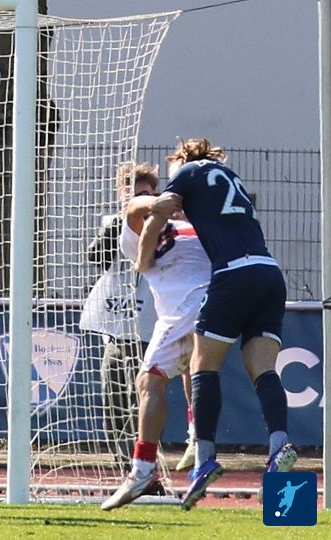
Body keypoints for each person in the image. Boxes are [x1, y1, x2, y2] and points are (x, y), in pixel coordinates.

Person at [147, 138, 293, 510]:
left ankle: (204, 459)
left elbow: (161, 210)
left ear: (183, 160)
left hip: (234, 273)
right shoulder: (229, 177)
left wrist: (143, 256)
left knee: (202, 365)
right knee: (263, 369)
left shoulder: (188, 172)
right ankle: (279, 446)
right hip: (269, 272)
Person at [101, 162, 209, 510]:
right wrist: (158, 204)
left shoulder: (195, 222)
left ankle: (156, 463)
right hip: (154, 317)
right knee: (149, 383)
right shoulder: (130, 229)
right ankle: (185, 451)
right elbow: (135, 210)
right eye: (134, 194)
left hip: (193, 305)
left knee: (165, 374)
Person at [79, 182, 157, 467]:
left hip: (148, 327)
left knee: (140, 397)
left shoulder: (162, 226)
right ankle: (125, 462)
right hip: (116, 328)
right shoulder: (113, 224)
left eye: (144, 193)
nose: (138, 198)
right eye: (132, 193)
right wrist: (118, 224)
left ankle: (145, 461)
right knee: (113, 400)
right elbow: (96, 257)